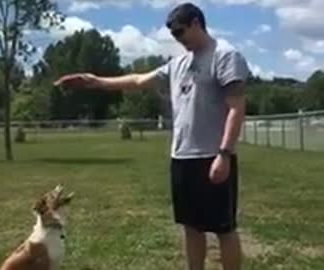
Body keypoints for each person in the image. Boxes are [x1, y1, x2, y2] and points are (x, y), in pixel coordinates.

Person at [54, 2, 250, 270]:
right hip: (182, 157)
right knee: (191, 227)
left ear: (196, 23)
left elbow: (236, 108)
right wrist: (94, 81)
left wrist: (224, 154)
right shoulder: (178, 64)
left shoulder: (225, 56)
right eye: (173, 35)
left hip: (212, 156)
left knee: (223, 228)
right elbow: (137, 81)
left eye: (180, 32)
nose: (177, 40)